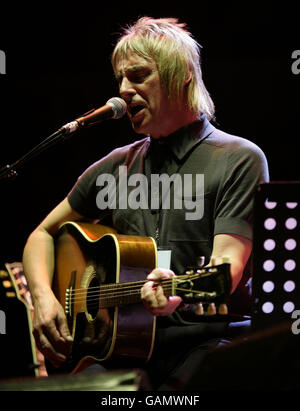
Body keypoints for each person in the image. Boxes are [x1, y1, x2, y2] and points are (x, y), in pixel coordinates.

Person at [23, 17, 269, 390]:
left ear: (182, 74)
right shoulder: (115, 166)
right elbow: (41, 234)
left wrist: (175, 294)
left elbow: (224, 270)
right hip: (120, 350)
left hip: (206, 343)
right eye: (120, 80)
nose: (123, 90)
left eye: (138, 76)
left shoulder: (237, 158)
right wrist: (43, 299)